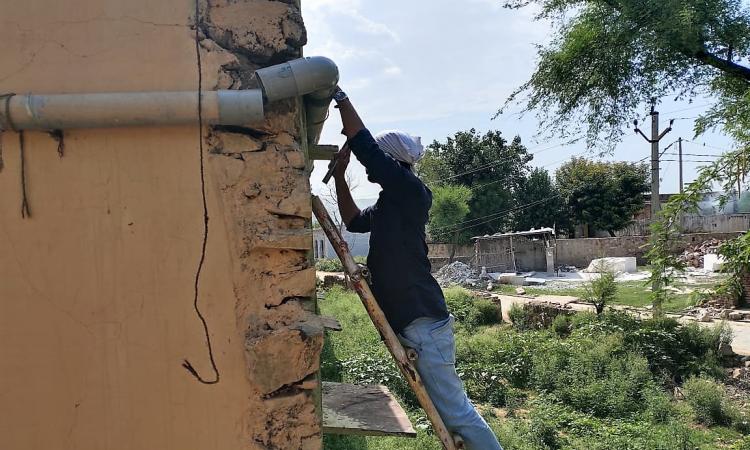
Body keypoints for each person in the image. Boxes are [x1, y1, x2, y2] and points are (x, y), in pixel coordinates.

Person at [329, 86, 503, 450]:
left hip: (423, 322)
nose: (376, 170)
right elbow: (353, 221)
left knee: (456, 414)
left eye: (383, 163)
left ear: (394, 164)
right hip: (417, 322)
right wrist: (341, 177)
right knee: (451, 413)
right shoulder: (391, 203)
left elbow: (367, 149)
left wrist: (341, 99)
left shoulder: (410, 191)